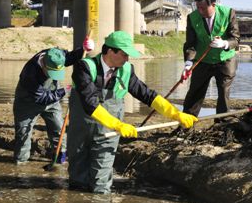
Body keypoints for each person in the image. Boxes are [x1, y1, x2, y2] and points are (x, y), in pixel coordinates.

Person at [67, 31, 198, 193]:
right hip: (81, 129)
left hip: (109, 131)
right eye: (124, 54)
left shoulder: (127, 70)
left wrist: (176, 114)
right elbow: (90, 103)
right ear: (109, 51)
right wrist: (118, 124)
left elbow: (147, 95)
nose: (127, 59)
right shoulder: (84, 67)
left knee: (101, 182)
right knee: (77, 177)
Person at [13, 36, 94, 164]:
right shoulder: (30, 74)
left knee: (58, 129)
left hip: (52, 100)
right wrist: (64, 91)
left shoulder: (56, 55)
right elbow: (42, 97)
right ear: (44, 65)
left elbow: (69, 57)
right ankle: (21, 164)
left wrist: (83, 49)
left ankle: (60, 159)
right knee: (23, 134)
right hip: (27, 103)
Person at [181, 0, 240, 117]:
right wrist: (188, 63)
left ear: (213, 5)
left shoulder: (229, 13)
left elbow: (235, 39)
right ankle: (186, 123)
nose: (200, 11)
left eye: (203, 8)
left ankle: (222, 124)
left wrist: (224, 43)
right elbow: (190, 44)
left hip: (225, 60)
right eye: (198, 7)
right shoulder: (192, 17)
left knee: (224, 92)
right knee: (195, 92)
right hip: (203, 60)